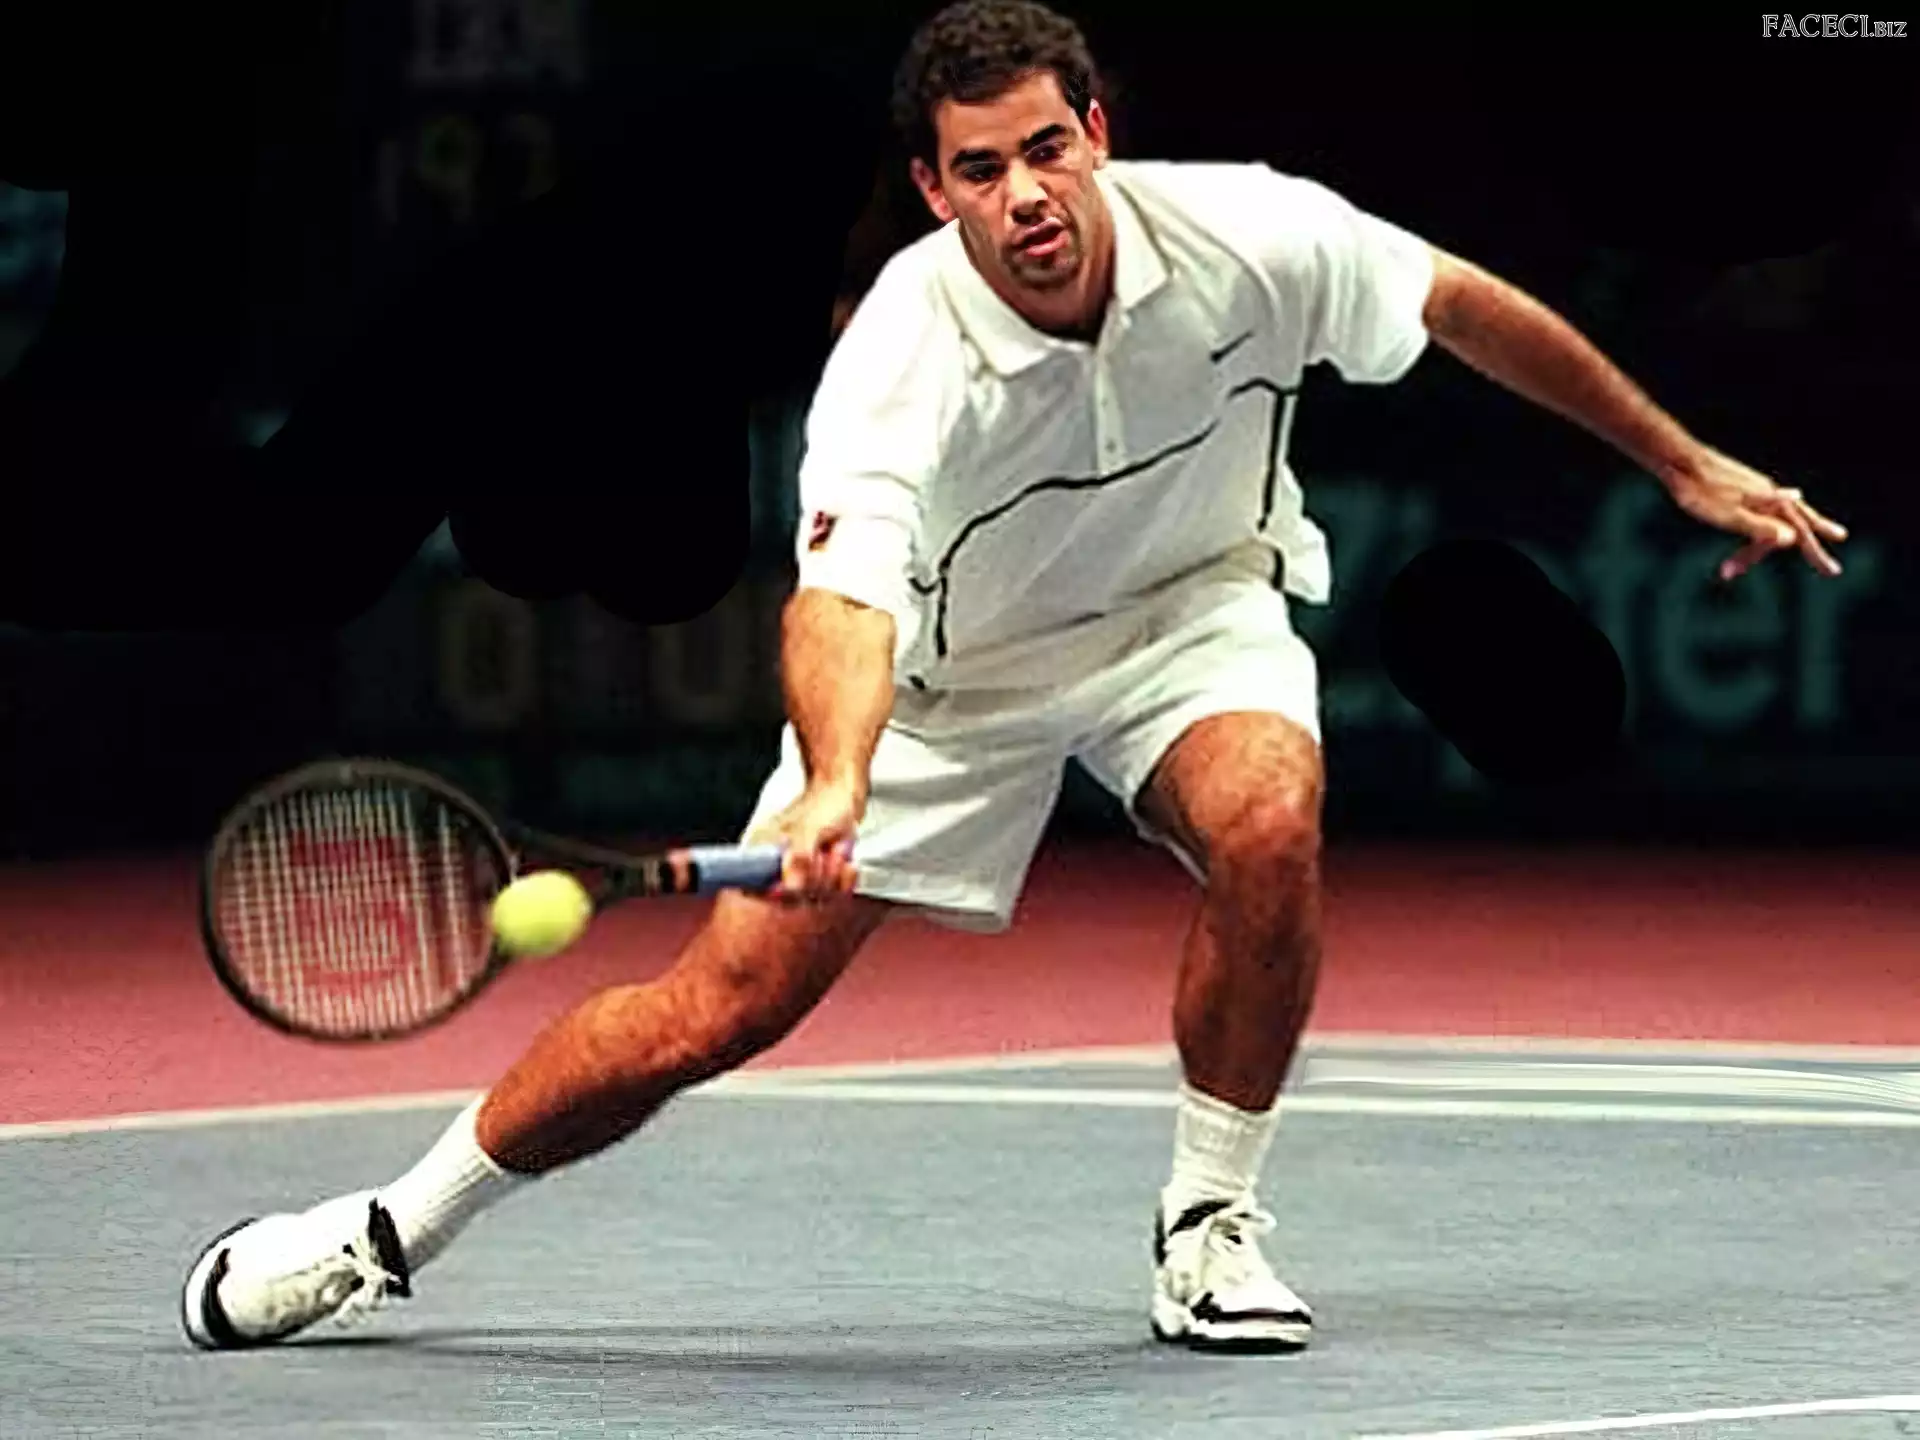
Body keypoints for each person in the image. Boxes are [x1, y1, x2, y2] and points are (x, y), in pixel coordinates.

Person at [180, 0, 1848, 1356]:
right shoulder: (900, 359)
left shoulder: (1257, 234)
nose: (1026, 194)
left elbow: (1469, 309)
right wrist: (839, 782)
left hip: (1190, 614)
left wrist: (1682, 459)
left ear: (1096, 133)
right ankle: (385, 1232)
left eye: (1048, 147)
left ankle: (1210, 1225)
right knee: (713, 1010)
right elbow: (841, 606)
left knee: (1272, 818)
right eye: (981, 168)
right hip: (947, 687)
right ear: (935, 189)